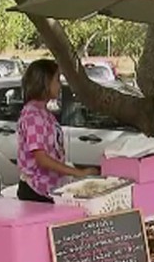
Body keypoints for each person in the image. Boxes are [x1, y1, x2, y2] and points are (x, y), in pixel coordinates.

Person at [16, 59, 98, 203]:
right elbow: (42, 158)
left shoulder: (44, 113)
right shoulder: (33, 116)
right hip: (36, 191)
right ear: (45, 82)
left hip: (47, 189)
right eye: (57, 80)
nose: (60, 86)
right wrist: (78, 173)